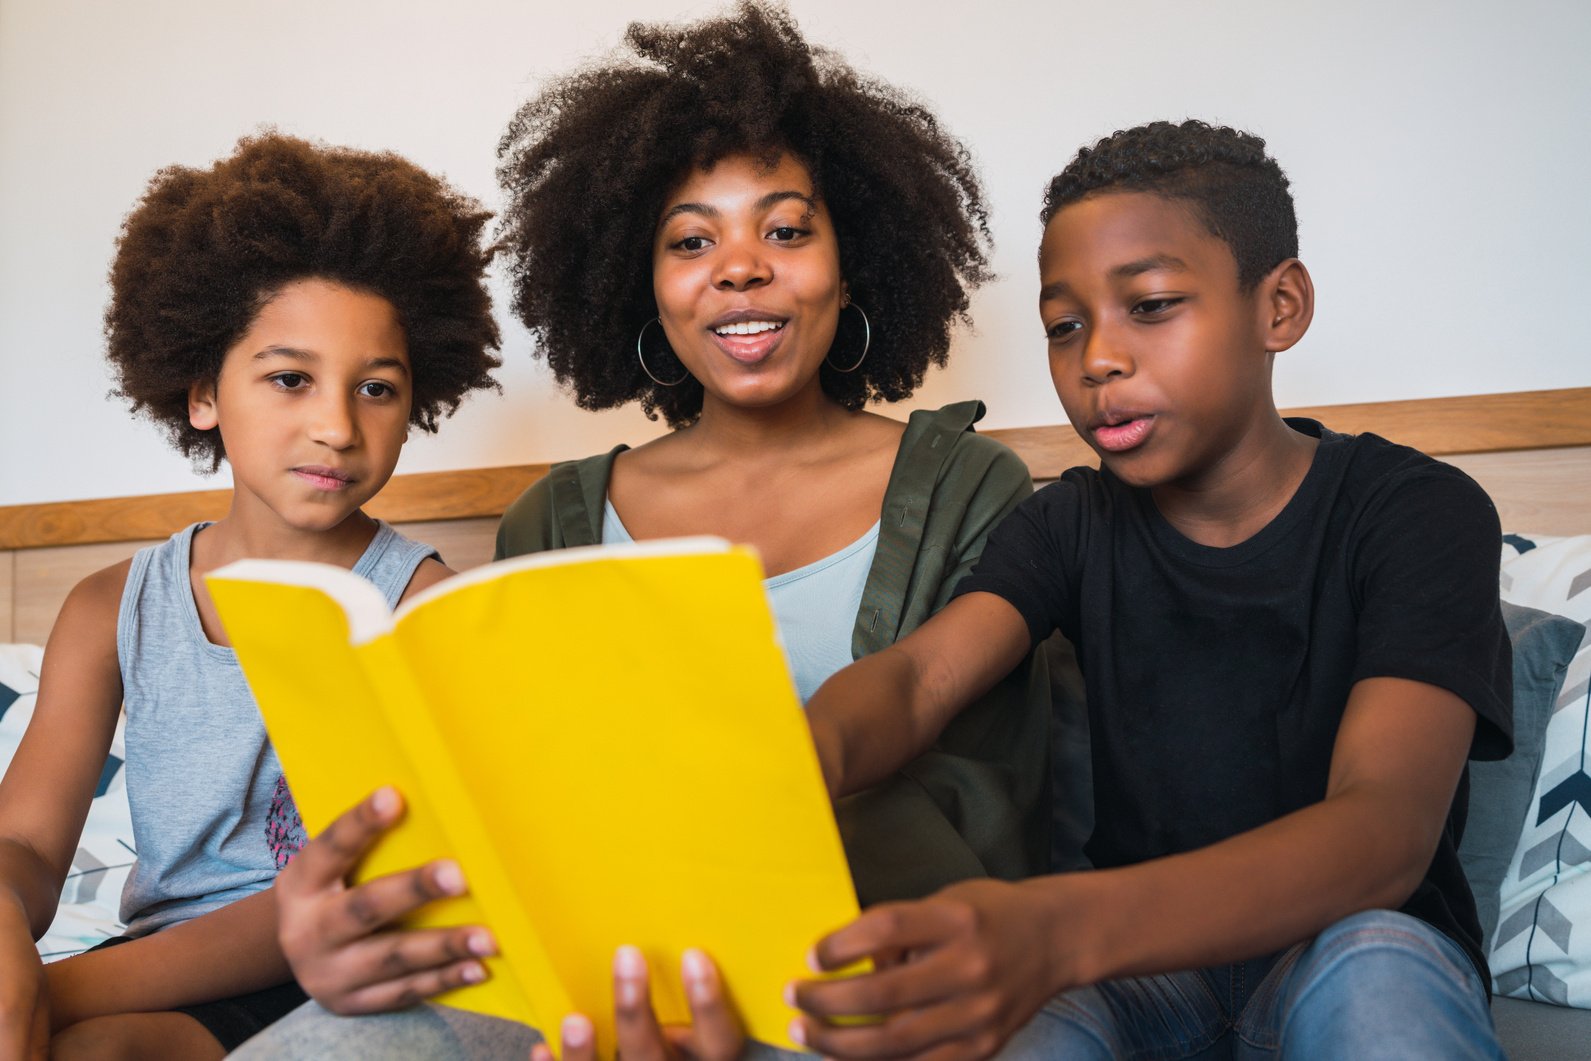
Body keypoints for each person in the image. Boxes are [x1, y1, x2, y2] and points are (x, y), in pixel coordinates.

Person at [238, 4, 1049, 1057]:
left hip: (856, 986)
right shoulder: (556, 520)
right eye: (691, 240)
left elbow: (988, 803)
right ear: (646, 287)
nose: (742, 265)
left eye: (787, 229)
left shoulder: (965, 487)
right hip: (591, 989)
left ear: (853, 265)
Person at [787, 120, 1514, 1060]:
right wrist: (799, 759)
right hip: (1142, 976)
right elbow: (919, 678)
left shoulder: (1416, 512)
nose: (1096, 359)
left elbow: (1381, 831)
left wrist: (1052, 926)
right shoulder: (1069, 523)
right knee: (1010, 1034)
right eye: (1063, 325)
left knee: (1380, 974)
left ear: (1279, 306)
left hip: (1345, 941)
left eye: (1153, 304)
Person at [0, 133, 502, 1060]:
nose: (336, 426)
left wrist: (53, 989)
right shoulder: (109, 607)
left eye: (377, 389)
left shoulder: (424, 606)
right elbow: (28, 844)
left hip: (336, 959)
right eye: (288, 378)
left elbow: (365, 891)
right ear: (202, 391)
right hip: (157, 956)